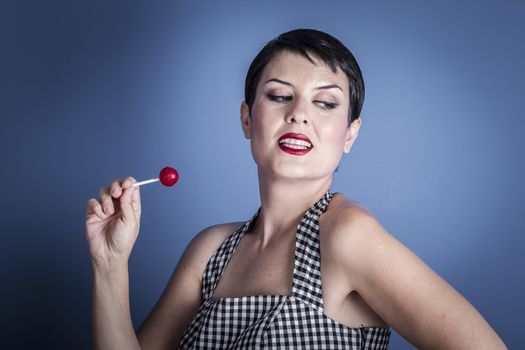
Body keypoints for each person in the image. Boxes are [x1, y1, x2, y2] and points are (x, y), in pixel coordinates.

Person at [85, 29, 506, 349]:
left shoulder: (347, 235)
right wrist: (110, 265)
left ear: (350, 135)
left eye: (325, 103)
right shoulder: (209, 250)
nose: (299, 114)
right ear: (248, 119)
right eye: (280, 95)